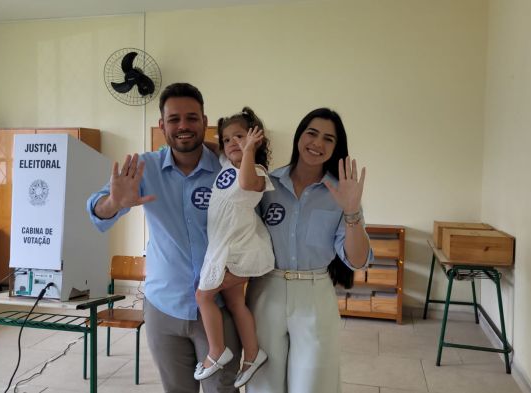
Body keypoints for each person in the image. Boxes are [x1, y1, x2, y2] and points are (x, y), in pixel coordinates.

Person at [87, 82, 241, 393]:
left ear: (204, 121)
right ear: (162, 125)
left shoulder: (228, 171)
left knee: (222, 390)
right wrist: (114, 203)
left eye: (191, 118)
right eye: (174, 119)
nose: (183, 126)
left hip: (219, 307)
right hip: (163, 308)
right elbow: (96, 212)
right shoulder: (144, 169)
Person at [245, 108, 373, 393]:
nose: (317, 143)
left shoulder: (342, 193)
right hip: (267, 289)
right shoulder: (268, 184)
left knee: (313, 383)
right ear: (299, 136)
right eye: (311, 133)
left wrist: (351, 212)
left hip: (315, 295)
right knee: (263, 383)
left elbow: (357, 260)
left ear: (335, 147)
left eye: (328, 138)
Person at [194, 108, 274, 388]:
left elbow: (247, 182)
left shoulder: (259, 173)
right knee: (234, 302)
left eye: (239, 136)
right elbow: (211, 145)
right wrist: (210, 136)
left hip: (241, 254)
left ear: (257, 139)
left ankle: (217, 351)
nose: (232, 143)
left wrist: (249, 148)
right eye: (227, 140)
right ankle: (253, 353)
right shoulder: (225, 164)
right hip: (223, 250)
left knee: (203, 297)